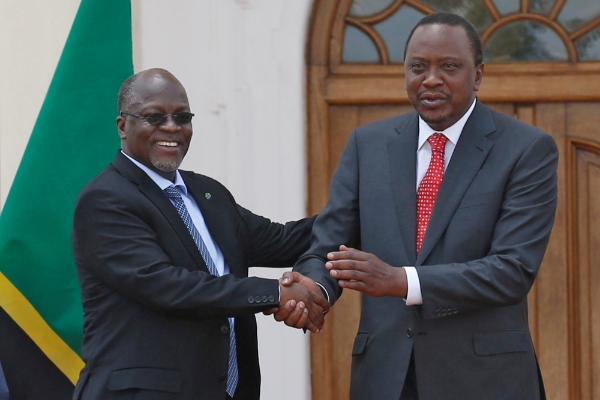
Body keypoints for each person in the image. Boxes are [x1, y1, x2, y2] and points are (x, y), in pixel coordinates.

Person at [284, 12, 558, 400]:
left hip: (485, 379)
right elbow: (329, 246)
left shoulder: (526, 149)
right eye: (418, 67)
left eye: (449, 66)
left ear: (478, 74)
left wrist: (401, 280)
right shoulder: (368, 145)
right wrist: (313, 290)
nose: (431, 79)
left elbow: (512, 270)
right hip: (386, 378)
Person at [71, 68, 329, 400]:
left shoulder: (208, 194)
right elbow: (166, 285)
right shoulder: (106, 198)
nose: (171, 127)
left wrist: (358, 211)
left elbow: (283, 241)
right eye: (155, 117)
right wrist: (276, 293)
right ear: (123, 126)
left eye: (182, 116)